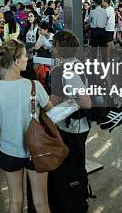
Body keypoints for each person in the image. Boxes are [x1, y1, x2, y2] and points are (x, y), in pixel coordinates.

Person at [0, 40, 54, 213]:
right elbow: (52, 114)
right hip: (35, 150)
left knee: (15, 201)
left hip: (9, 150)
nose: (27, 59)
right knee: (41, 203)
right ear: (16, 61)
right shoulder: (34, 85)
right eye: (25, 56)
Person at [47, 31, 92, 212]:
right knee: (76, 164)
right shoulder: (77, 64)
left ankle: (73, 200)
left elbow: (86, 102)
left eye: (55, 45)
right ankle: (78, 197)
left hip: (73, 127)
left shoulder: (65, 71)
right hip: (80, 125)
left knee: (71, 166)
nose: (53, 48)